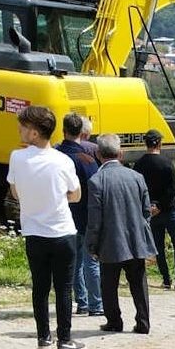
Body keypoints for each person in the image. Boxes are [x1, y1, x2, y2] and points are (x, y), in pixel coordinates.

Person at [7, 105, 87, 349]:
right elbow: (75, 195)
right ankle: (65, 340)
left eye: (23, 126)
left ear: (34, 133)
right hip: (62, 232)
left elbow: (15, 192)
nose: (19, 129)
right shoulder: (62, 160)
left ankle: (43, 338)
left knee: (40, 287)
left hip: (34, 233)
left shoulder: (17, 158)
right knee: (64, 288)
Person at [87, 134, 159, 333]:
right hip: (136, 240)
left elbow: (95, 219)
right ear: (121, 153)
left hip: (110, 242)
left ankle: (114, 321)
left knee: (108, 285)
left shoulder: (96, 181)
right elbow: (146, 211)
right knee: (138, 283)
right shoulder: (136, 177)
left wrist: (92, 245)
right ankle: (143, 322)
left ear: (97, 154)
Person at [56, 113, 104, 317]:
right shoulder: (87, 159)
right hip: (85, 217)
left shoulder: (56, 156)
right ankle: (96, 304)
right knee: (90, 261)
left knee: (72, 263)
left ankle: (81, 302)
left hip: (62, 218)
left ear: (63, 131)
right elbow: (96, 190)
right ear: (82, 133)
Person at [134, 130, 175, 290]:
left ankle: (166, 279)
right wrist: (161, 205)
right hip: (169, 210)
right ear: (159, 143)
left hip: (151, 212)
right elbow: (173, 189)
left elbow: (138, 189)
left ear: (145, 143)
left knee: (158, 246)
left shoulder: (139, 164)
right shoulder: (167, 163)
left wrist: (151, 206)